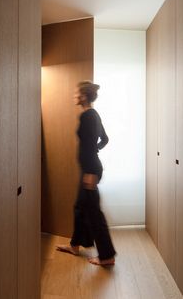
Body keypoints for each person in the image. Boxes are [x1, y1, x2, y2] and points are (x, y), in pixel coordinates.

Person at [57, 80, 116, 266]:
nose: (74, 95)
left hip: (90, 170)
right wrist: (94, 155)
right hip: (90, 168)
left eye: (76, 92)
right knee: (80, 208)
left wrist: (90, 171)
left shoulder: (88, 116)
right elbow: (105, 140)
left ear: (83, 96)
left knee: (94, 213)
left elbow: (91, 146)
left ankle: (107, 256)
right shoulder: (93, 115)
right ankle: (75, 245)